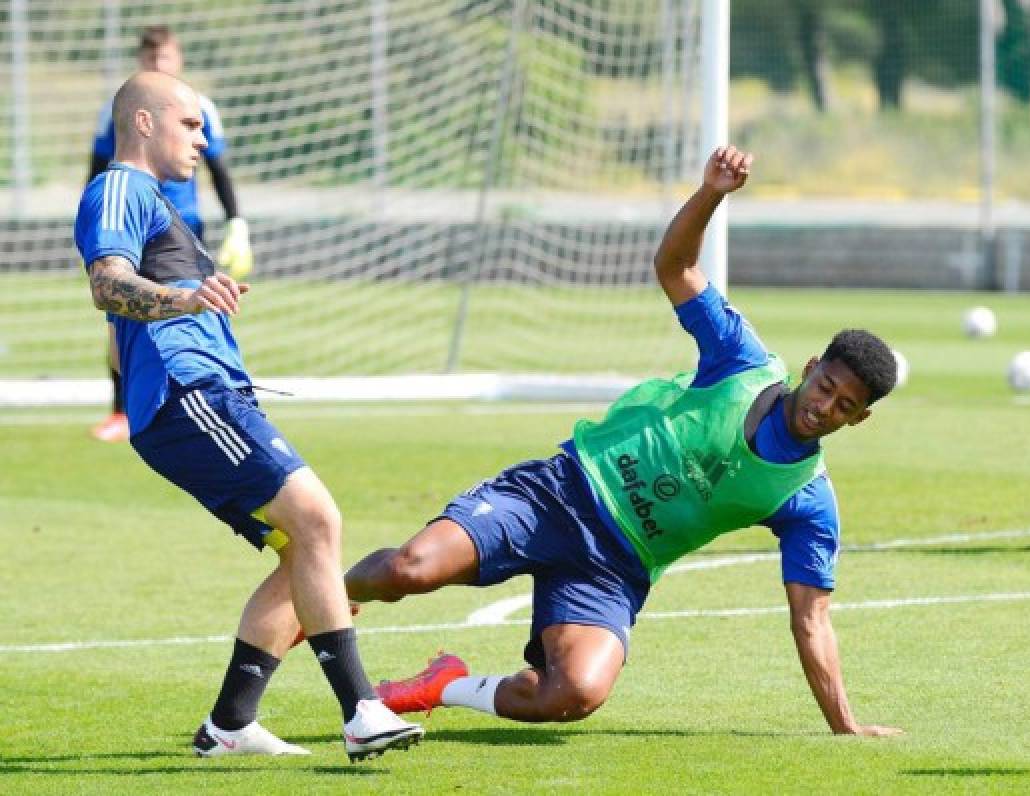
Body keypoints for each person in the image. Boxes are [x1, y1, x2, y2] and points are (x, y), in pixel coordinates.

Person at [345, 145, 904, 737]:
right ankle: (314, 595)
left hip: (616, 565)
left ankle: (443, 685)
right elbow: (675, 268)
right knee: (409, 570)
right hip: (560, 493)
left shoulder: (808, 501)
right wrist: (712, 192)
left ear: (858, 420)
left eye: (845, 407)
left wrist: (845, 725)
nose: (825, 407)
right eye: (826, 387)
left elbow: (811, 619)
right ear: (812, 367)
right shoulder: (742, 360)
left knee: (576, 693)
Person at [73, 70, 421, 761]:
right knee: (318, 519)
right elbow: (106, 285)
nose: (204, 139)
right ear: (144, 122)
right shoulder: (120, 188)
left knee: (304, 548)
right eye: (191, 124)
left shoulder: (162, 206)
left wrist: (169, 331)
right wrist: (184, 307)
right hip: (189, 396)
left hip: (198, 394)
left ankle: (230, 723)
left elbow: (119, 343)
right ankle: (361, 712)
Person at [88, 25, 252, 443]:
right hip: (131, 228)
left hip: (183, 227)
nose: (159, 65)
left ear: (178, 60)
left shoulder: (201, 108)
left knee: (197, 313)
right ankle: (123, 412)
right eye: (152, 59)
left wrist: (237, 221)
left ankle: (201, 398)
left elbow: (219, 169)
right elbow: (98, 168)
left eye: (166, 58)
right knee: (120, 323)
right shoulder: (120, 110)